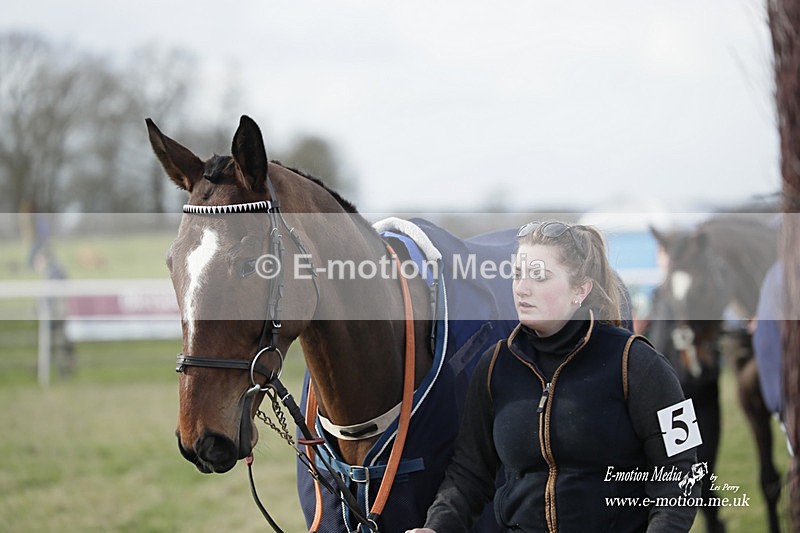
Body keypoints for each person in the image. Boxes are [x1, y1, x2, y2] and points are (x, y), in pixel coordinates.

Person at [407, 220, 699, 533]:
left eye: (539, 277)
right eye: (517, 274)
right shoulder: (494, 367)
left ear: (580, 290)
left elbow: (681, 473)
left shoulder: (639, 362)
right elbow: (468, 474)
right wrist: (436, 527)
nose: (521, 288)